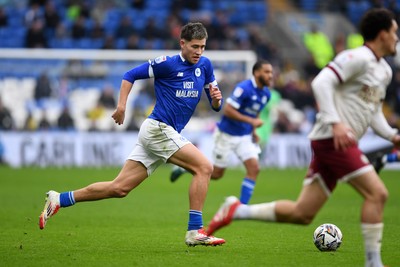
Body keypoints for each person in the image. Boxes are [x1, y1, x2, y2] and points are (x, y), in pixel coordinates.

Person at [205, 8, 400, 267]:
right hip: (333, 138)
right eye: (395, 32)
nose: (397, 38)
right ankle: (373, 263)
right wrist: (335, 122)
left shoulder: (384, 71)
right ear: (382, 33)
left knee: (303, 213)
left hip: (334, 140)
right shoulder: (357, 57)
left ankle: (236, 210)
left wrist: (391, 134)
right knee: (378, 194)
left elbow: (372, 109)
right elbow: (321, 82)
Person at [38, 22, 225, 247]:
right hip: (158, 129)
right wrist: (121, 106)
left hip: (165, 133)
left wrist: (216, 98)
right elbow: (130, 75)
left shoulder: (205, 66)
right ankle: (195, 231)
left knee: (119, 188)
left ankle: (60, 199)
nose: (199, 51)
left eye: (203, 47)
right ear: (182, 43)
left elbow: (216, 105)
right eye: (195, 46)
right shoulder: (167, 64)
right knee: (204, 167)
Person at [170, 60, 274, 205]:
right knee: (217, 174)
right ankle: (185, 169)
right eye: (267, 72)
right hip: (226, 135)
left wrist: (253, 131)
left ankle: (242, 208)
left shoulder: (266, 94)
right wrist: (251, 122)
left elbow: (254, 113)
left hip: (244, 136)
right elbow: (228, 110)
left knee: (254, 168)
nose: (270, 76)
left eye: (271, 72)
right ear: (257, 73)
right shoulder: (244, 88)